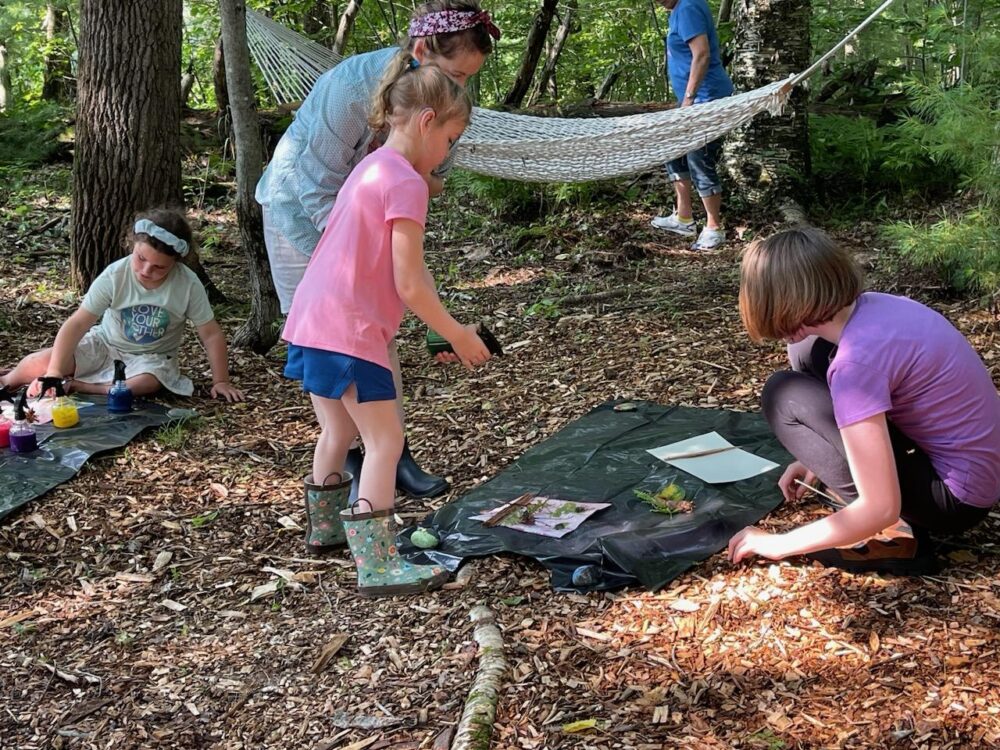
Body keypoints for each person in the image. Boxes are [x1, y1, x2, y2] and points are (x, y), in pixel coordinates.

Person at [256, 1, 499, 500]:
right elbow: (319, 185)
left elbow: (420, 190)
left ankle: (332, 518)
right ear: (420, 51)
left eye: (468, 79)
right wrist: (448, 327)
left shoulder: (388, 160)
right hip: (301, 213)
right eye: (454, 74)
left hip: (317, 305)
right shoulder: (353, 91)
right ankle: (378, 554)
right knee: (373, 402)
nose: (462, 88)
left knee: (343, 419)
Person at [282, 59, 491, 595]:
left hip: (312, 318)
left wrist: (439, 322)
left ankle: (326, 529)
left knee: (338, 430)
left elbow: (409, 269)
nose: (448, 152)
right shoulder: (405, 181)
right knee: (385, 440)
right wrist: (459, 333)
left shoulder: (371, 165)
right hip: (350, 330)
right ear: (426, 120)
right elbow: (409, 283)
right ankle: (377, 563)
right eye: (450, 137)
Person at [727, 227, 1000, 573]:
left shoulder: (855, 365)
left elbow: (880, 507)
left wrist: (777, 544)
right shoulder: (880, 308)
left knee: (783, 395)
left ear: (786, 313)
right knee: (809, 352)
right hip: (981, 469)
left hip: (955, 499)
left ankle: (901, 539)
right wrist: (818, 454)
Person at [1, 209, 245, 403]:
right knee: (41, 362)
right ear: (132, 245)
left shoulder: (187, 284)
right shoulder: (115, 275)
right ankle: (8, 381)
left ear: (176, 263)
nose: (146, 271)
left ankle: (80, 386)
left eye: (159, 267)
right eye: (141, 259)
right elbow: (77, 324)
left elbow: (210, 334)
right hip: (105, 345)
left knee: (146, 383)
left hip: (151, 357)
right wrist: (54, 370)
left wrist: (221, 380)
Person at [650, 0, 733, 251]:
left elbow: (702, 53)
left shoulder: (687, 7)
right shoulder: (677, 10)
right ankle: (684, 217)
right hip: (694, 99)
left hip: (705, 99)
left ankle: (713, 228)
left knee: (699, 157)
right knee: (672, 149)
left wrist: (688, 99)